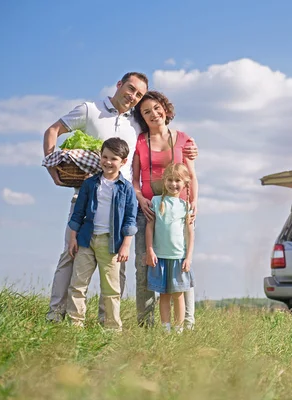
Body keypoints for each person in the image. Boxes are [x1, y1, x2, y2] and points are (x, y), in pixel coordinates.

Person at [42, 72, 199, 323]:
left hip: (128, 203)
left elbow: (180, 155)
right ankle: (56, 315)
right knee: (72, 255)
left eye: (138, 94)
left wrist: (191, 149)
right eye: (131, 89)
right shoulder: (91, 110)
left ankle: (110, 322)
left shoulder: (137, 124)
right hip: (93, 198)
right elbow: (53, 130)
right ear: (119, 85)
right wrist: (51, 164)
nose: (133, 96)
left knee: (123, 264)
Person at [132, 91, 198, 328]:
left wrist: (194, 204)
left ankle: (186, 324)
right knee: (146, 267)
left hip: (179, 211)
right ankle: (147, 323)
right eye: (146, 112)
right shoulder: (139, 141)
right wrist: (140, 197)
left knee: (182, 269)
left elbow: (191, 175)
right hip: (149, 210)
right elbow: (135, 179)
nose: (153, 114)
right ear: (141, 117)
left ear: (165, 108)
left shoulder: (181, 139)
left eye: (156, 108)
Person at [65, 138, 138, 330]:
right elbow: (78, 213)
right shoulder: (89, 184)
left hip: (111, 243)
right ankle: (75, 324)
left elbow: (130, 219)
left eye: (113, 158)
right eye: (104, 157)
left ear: (123, 161)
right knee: (78, 284)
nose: (107, 162)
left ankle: (112, 328)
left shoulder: (126, 188)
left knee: (111, 289)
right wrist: (73, 239)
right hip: (86, 241)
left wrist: (126, 245)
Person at [145, 163, 195, 333]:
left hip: (179, 258)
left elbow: (190, 234)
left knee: (178, 295)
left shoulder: (186, 206)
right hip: (160, 257)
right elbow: (149, 227)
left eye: (178, 181)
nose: (174, 184)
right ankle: (165, 327)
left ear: (185, 183)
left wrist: (188, 257)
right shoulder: (156, 201)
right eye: (170, 180)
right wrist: (150, 249)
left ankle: (178, 329)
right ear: (164, 181)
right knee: (163, 295)